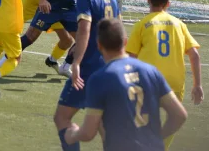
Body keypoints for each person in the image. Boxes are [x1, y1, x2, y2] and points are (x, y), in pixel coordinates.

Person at [65, 19, 188, 151]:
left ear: (99, 45)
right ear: (125, 42)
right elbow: (179, 115)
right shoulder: (151, 71)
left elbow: (88, 133)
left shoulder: (100, 78)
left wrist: (73, 134)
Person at [52, 0, 119, 150]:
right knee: (104, 123)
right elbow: (118, 28)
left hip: (90, 68)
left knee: (62, 117)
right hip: (110, 66)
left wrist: (77, 63)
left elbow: (84, 30)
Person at [126, 0, 203, 150]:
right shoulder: (179, 24)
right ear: (168, 4)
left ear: (148, 1)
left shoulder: (142, 24)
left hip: (149, 82)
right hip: (174, 83)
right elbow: (194, 55)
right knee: (174, 119)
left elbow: (131, 57)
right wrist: (197, 85)